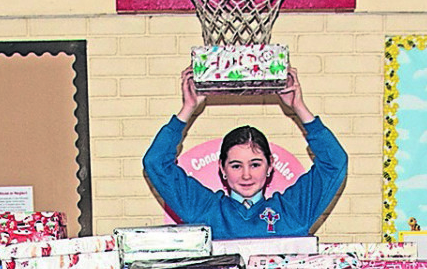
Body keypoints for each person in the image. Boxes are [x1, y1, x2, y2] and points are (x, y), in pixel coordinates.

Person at [143, 68, 346, 238]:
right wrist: (188, 109)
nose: (246, 175)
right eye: (236, 166)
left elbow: (335, 162)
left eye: (255, 164)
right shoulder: (203, 210)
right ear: (222, 168)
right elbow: (156, 162)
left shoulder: (294, 211)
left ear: (270, 166)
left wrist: (299, 107)